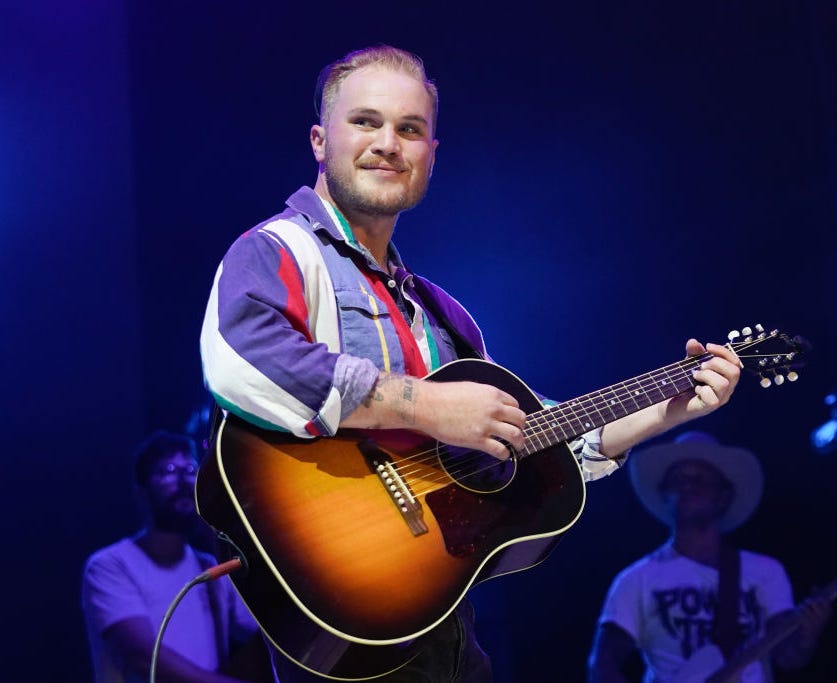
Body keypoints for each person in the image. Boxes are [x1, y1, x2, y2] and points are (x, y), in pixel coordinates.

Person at [198, 45, 743, 682]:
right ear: (320, 140)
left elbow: (534, 434)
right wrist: (427, 406)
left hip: (439, 622)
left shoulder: (442, 313)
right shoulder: (278, 250)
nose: (388, 143)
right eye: (365, 122)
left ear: (430, 157)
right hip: (344, 602)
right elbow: (247, 362)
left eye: (410, 129)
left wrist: (671, 406)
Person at [587, 431, 831, 683]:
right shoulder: (635, 580)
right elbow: (602, 664)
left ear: (723, 496)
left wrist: (808, 634)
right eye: (678, 479)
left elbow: (789, 658)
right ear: (664, 494)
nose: (687, 486)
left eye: (699, 479)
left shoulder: (765, 571)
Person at [82, 430, 270, 683]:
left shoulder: (208, 565)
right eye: (168, 471)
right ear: (141, 491)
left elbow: (261, 631)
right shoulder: (109, 565)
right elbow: (141, 656)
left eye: (191, 469)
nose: (183, 480)